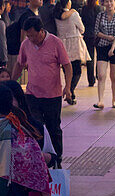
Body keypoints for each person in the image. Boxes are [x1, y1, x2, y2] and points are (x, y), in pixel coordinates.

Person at [12, 16, 72, 165]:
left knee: (53, 127)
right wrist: (12, 84)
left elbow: (67, 65)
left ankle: (56, 158)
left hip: (53, 95)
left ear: (41, 31)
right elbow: (19, 64)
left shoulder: (55, 43)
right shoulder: (26, 44)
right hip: (32, 94)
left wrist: (68, 87)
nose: (30, 38)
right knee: (36, 126)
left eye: (33, 35)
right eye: (28, 35)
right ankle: (39, 158)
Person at [53, 0, 89, 104]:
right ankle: (70, 90)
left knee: (66, 70)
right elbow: (82, 29)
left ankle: (70, 91)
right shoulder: (74, 14)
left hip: (62, 44)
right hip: (74, 44)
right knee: (77, 70)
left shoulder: (56, 15)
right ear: (68, 3)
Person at [93, 0, 115, 109]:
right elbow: (96, 31)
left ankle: (114, 100)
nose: (109, 4)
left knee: (114, 76)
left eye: (111, 1)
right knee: (101, 75)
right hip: (102, 46)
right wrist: (107, 37)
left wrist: (112, 48)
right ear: (103, 3)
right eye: (106, 1)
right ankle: (100, 100)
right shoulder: (100, 15)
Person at [82, 0, 100, 87]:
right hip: (98, 36)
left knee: (90, 58)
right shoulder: (99, 9)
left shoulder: (84, 8)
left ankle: (91, 80)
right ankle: (98, 75)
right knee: (99, 56)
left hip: (87, 35)